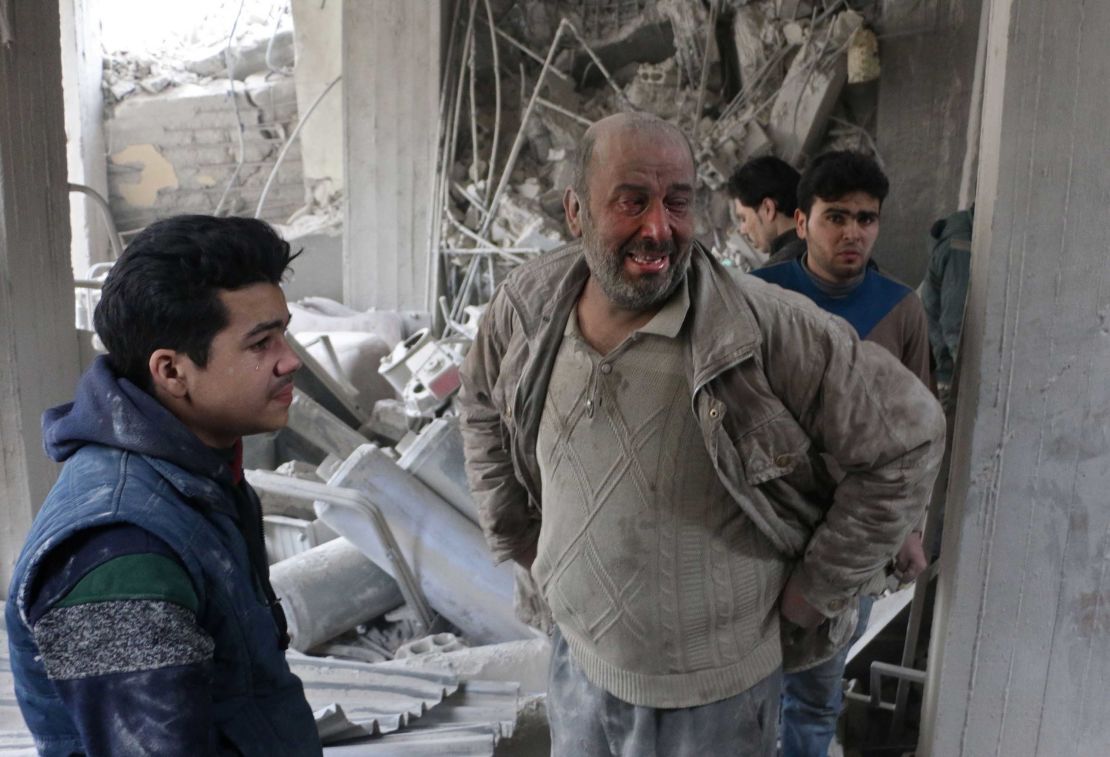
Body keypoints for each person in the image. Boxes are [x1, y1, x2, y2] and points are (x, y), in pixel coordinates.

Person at [458, 113, 944, 756]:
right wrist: (516, 536)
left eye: (677, 203)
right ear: (576, 212)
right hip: (577, 666)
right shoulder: (526, 307)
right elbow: (482, 406)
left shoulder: (767, 328)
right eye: (632, 201)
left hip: (715, 699)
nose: (658, 228)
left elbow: (908, 441)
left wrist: (815, 590)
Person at [5, 215, 322, 756]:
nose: (289, 359)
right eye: (261, 343)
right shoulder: (122, 548)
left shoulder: (200, 473)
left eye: (284, 332)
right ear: (171, 373)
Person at [749, 150, 932, 757]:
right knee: (748, 685)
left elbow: (917, 439)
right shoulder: (759, 296)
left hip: (845, 530)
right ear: (801, 223)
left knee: (819, 685)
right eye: (835, 217)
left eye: (866, 218)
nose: (853, 232)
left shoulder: (899, 309)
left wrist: (907, 530)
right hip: (761, 522)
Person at [922, 205, 974, 410]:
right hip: (946, 369)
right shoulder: (962, 244)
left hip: (940, 359)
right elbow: (954, 320)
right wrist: (966, 374)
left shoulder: (961, 228)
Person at [727, 155, 806, 265]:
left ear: (768, 208)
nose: (742, 230)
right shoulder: (829, 243)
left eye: (743, 218)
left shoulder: (771, 277)